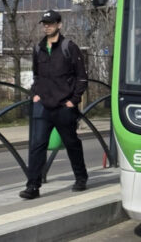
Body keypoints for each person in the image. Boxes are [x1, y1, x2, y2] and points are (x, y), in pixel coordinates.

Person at [19, 10, 89, 200]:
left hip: (64, 106)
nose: (47, 26)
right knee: (37, 146)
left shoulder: (69, 47)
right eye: (45, 23)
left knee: (71, 143)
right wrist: (35, 94)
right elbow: (36, 75)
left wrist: (73, 101)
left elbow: (82, 77)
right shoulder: (38, 48)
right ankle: (33, 186)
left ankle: (81, 178)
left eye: (50, 23)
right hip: (42, 105)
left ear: (59, 25)